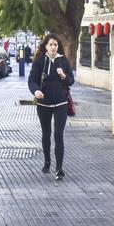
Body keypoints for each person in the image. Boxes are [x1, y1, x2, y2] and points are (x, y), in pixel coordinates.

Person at [28, 33, 75, 181]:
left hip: (61, 102)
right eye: (51, 45)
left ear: (58, 47)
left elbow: (71, 81)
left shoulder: (63, 61)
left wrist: (63, 76)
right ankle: (47, 161)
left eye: (55, 45)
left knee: (58, 134)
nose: (53, 47)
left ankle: (59, 168)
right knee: (46, 134)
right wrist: (36, 90)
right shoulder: (40, 61)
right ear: (46, 46)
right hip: (44, 103)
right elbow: (32, 80)